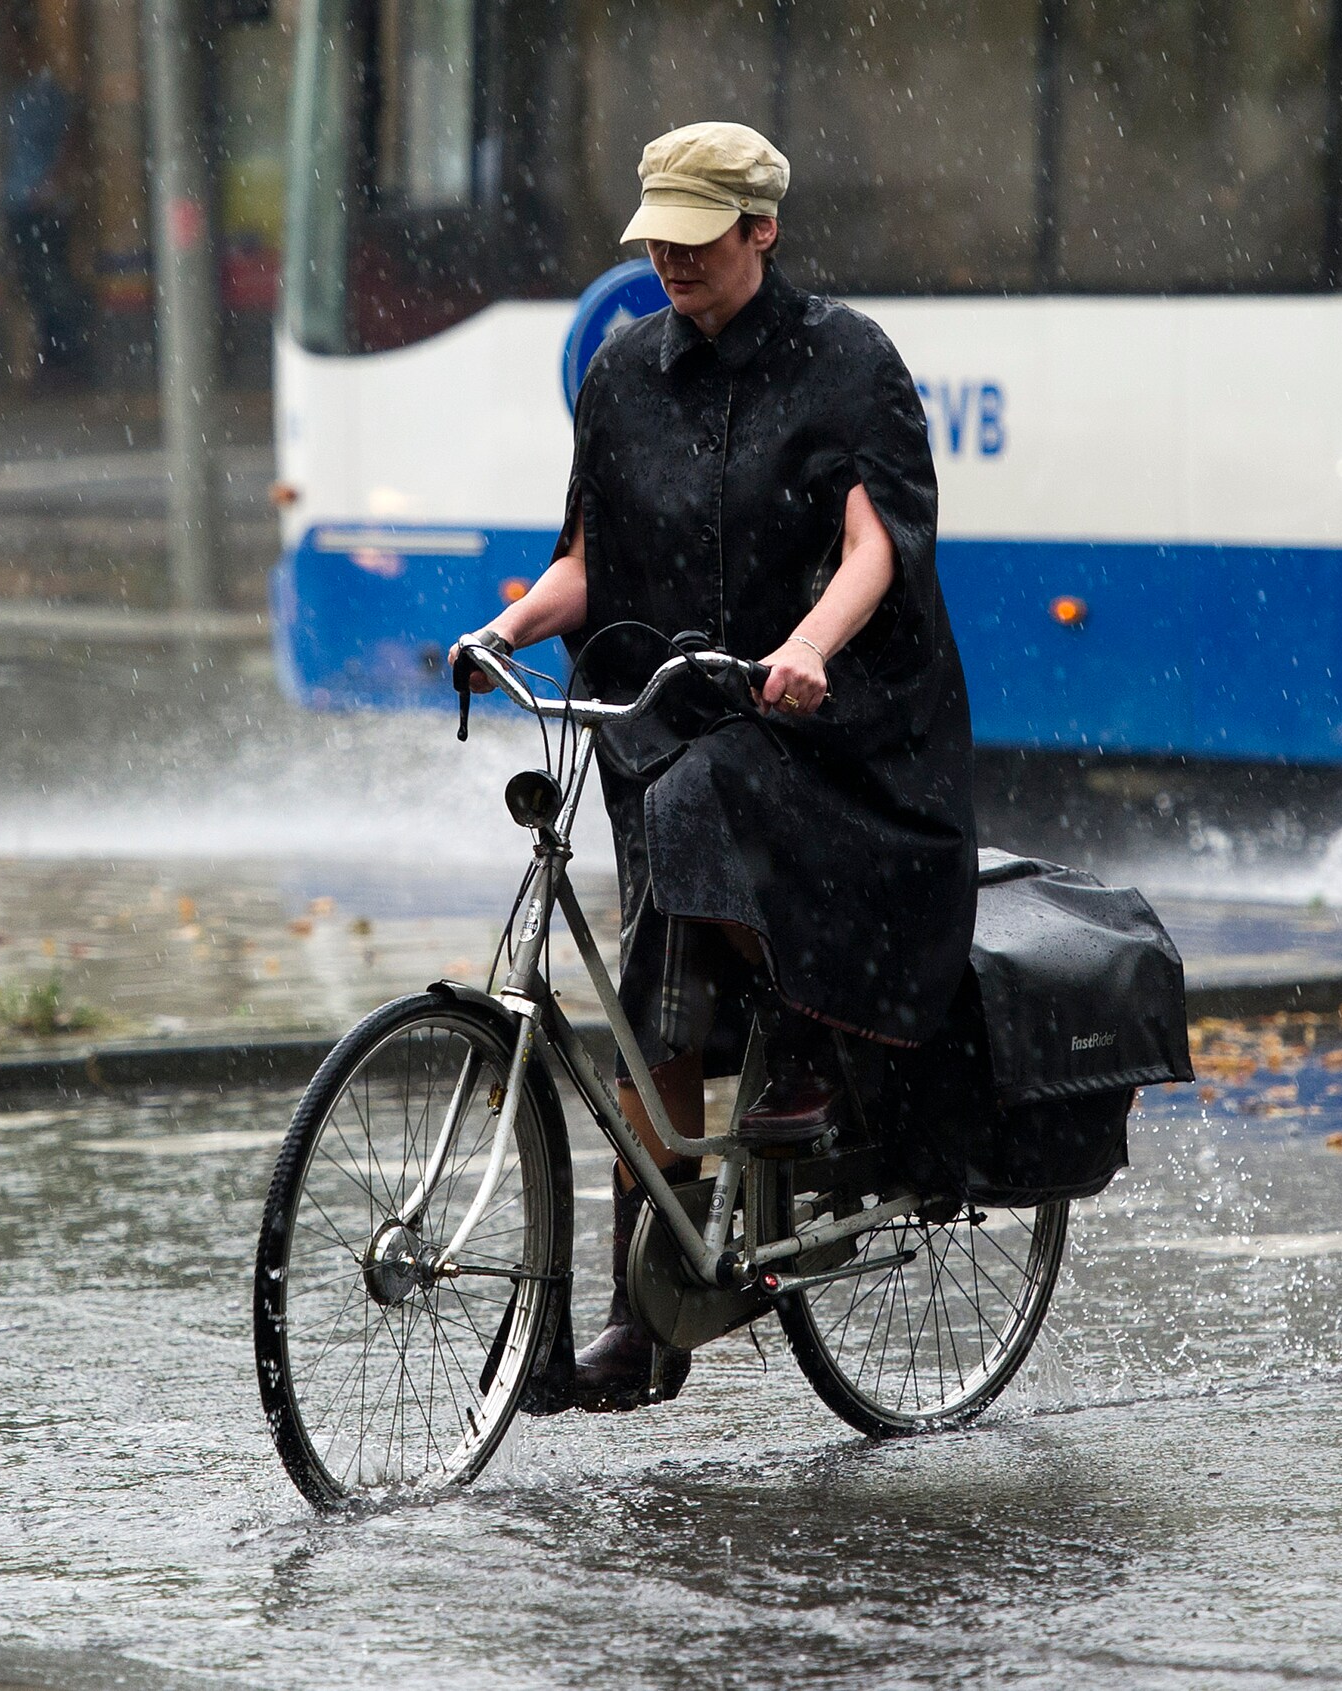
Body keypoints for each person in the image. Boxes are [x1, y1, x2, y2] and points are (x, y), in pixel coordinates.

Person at [451, 122, 977, 1412]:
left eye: (699, 235)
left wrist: (803, 652)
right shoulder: (624, 370)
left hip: (847, 742)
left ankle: (802, 1032)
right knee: (651, 1005)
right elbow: (585, 558)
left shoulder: (848, 361)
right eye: (657, 237)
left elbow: (876, 546)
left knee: (691, 821)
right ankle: (652, 1310)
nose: (671, 258)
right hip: (682, 727)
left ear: (762, 229)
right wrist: (502, 628)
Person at [2, 65, 85, 383]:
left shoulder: (48, 95)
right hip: (23, 201)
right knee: (36, 281)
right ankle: (52, 356)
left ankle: (61, 356)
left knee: (48, 280)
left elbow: (70, 141)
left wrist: (50, 186)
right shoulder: (18, 95)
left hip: (38, 202)